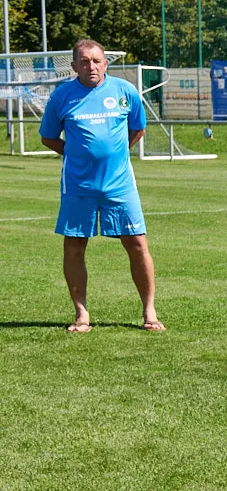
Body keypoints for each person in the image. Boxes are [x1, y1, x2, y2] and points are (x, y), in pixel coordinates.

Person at [39, 39, 161, 333]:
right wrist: (76, 154)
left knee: (137, 244)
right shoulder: (61, 96)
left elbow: (138, 128)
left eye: (96, 61)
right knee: (74, 247)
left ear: (106, 64)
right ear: (74, 66)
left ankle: (149, 311)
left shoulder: (125, 91)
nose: (91, 66)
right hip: (78, 185)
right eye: (84, 61)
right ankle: (81, 314)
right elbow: (48, 137)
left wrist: (115, 153)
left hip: (120, 185)